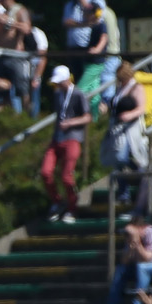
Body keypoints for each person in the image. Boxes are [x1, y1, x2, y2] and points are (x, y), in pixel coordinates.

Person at [42, 65, 89, 222]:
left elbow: (87, 117)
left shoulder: (78, 94)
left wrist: (70, 123)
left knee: (66, 176)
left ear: (67, 80)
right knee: (46, 172)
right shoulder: (57, 94)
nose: (57, 85)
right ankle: (57, 201)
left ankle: (72, 207)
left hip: (72, 138)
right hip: (57, 139)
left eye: (60, 82)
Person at [103, 214, 152, 304]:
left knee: (141, 267)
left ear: (141, 228)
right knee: (121, 269)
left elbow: (147, 259)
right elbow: (124, 261)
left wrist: (137, 242)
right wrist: (130, 244)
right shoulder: (131, 237)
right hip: (139, 266)